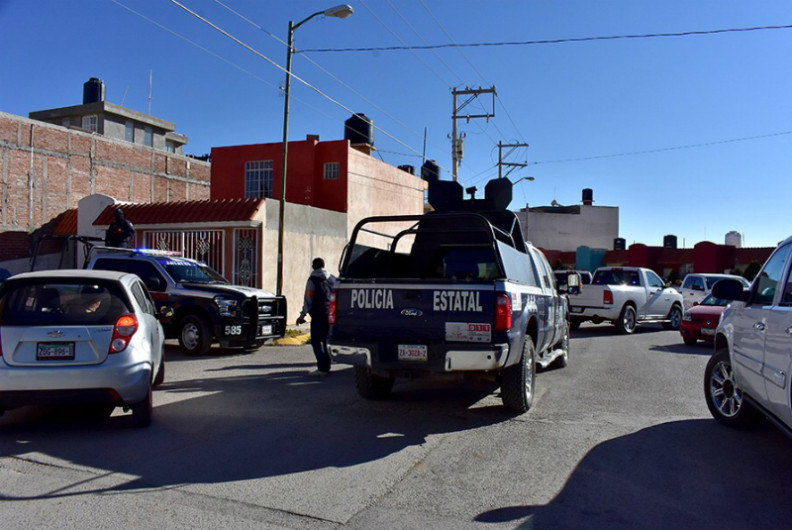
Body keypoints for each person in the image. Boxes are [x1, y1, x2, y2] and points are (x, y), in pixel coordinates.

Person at [296, 257, 336, 376]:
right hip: (331, 314)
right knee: (326, 340)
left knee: (316, 341)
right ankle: (327, 364)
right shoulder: (333, 279)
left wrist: (302, 315)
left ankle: (323, 368)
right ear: (324, 266)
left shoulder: (312, 280)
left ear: (313, 266)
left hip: (319, 314)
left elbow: (308, 299)